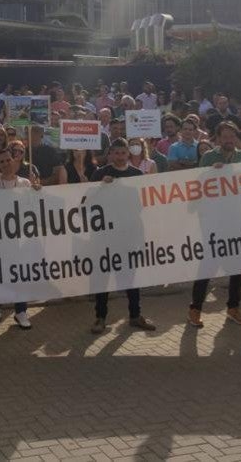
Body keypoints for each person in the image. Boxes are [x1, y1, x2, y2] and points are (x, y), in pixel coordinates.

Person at [189, 122, 241, 327]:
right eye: (224, 136)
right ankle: (195, 309)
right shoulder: (208, 158)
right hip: (213, 222)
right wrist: (210, 173)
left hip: (237, 220)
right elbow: (196, 185)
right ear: (217, 139)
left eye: (231, 136)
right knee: (206, 268)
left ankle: (233, 308)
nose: (228, 140)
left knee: (238, 268)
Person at [90, 138, 157, 334]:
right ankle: (100, 318)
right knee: (102, 278)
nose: (120, 157)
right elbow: (86, 201)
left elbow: (142, 204)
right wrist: (100, 187)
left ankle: (135, 316)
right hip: (105, 236)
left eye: (123, 153)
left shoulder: (136, 174)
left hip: (129, 233)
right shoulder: (100, 173)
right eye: (116, 153)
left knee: (131, 278)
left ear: (129, 154)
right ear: (110, 154)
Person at [0, 146, 33, 330]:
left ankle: (21, 312)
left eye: (8, 160)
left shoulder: (26, 183)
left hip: (20, 239)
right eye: (1, 161)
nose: (5, 164)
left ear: (15, 161)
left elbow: (33, 208)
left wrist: (38, 192)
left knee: (21, 276)